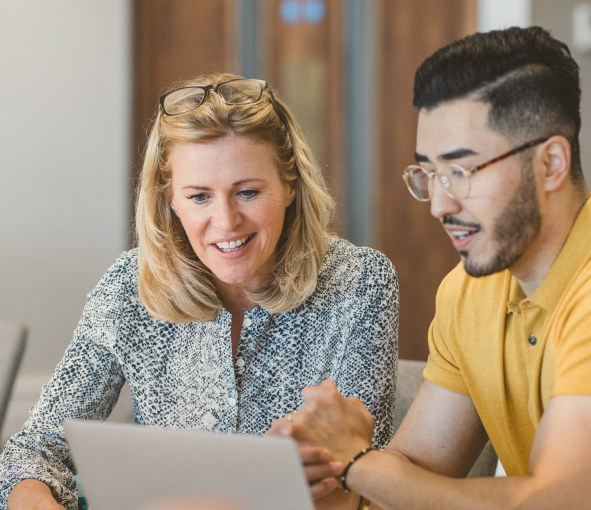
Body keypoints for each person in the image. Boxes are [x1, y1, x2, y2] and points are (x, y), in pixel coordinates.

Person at [0, 74, 399, 510]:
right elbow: (34, 450)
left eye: (247, 192)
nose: (226, 222)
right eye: (199, 197)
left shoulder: (361, 283)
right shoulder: (128, 286)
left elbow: (355, 479)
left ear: (291, 186)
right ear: (169, 199)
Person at [269, 27, 591, 509]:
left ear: (550, 164)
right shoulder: (468, 293)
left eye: (460, 172)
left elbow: (558, 500)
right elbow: (412, 479)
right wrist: (328, 479)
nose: (439, 204)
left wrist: (359, 463)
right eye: (430, 174)